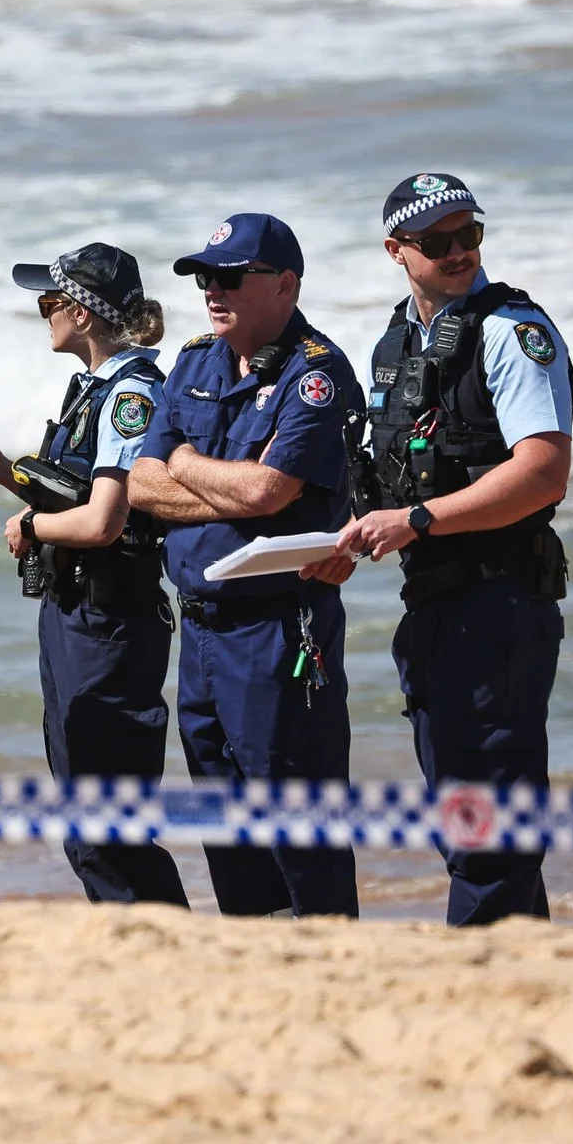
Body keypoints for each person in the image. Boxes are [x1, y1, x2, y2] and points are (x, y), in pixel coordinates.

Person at [327, 174, 573, 926]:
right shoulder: (395, 345)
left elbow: (543, 473)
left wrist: (420, 519)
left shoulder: (512, 332)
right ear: (396, 251)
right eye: (438, 241)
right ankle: (529, 965)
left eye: (471, 234)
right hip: (435, 608)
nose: (460, 250)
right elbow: (390, 483)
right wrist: (349, 538)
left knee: (486, 830)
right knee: (465, 819)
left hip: (501, 603)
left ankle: (483, 971)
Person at [127, 213, 360, 919]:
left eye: (230, 277)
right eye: (205, 277)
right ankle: (254, 956)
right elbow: (141, 484)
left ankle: (328, 959)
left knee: (296, 824)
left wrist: (186, 463)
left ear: (285, 285)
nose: (212, 290)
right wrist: (229, 489)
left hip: (278, 629)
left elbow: (267, 492)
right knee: (224, 824)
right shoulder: (196, 359)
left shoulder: (316, 372)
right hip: (199, 629)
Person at [0, 245, 184, 907]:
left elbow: (104, 522)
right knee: (83, 811)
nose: (43, 314)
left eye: (49, 303)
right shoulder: (94, 387)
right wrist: (5, 474)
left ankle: (159, 941)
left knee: (105, 827)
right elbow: (76, 494)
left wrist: (31, 527)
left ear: (82, 313)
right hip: (79, 613)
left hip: (109, 621)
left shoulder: (130, 395)